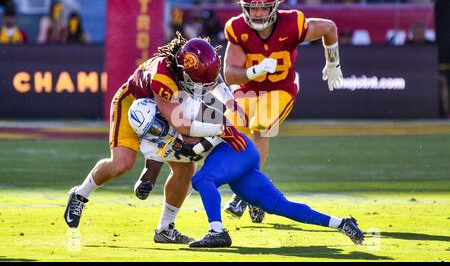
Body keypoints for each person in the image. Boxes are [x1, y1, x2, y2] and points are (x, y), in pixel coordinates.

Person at [63, 34, 245, 244]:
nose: (202, 88)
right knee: (121, 164)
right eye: (197, 82)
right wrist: (220, 129)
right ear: (182, 70)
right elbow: (181, 125)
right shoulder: (164, 77)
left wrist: (230, 102)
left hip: (166, 107)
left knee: (186, 168)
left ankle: (165, 228)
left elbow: (213, 79)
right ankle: (79, 194)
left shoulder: (193, 63)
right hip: (135, 106)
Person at [128, 97, 364, 248]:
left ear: (162, 113)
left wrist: (195, 147)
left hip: (235, 148)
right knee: (279, 206)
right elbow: (150, 170)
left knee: (201, 178)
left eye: (158, 124)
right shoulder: (150, 143)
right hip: (236, 165)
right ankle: (341, 223)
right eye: (151, 130)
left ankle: (216, 231)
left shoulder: (185, 109)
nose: (158, 131)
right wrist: (143, 185)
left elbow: (221, 123)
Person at [222, 0, 343, 223]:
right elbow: (229, 73)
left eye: (262, 8)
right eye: (252, 7)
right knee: (230, 135)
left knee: (261, 128)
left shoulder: (292, 23)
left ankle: (246, 195)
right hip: (248, 90)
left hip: (280, 89)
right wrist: (253, 72)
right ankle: (258, 194)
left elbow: (329, 28)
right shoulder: (237, 28)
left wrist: (333, 63)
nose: (256, 13)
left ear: (274, 7)